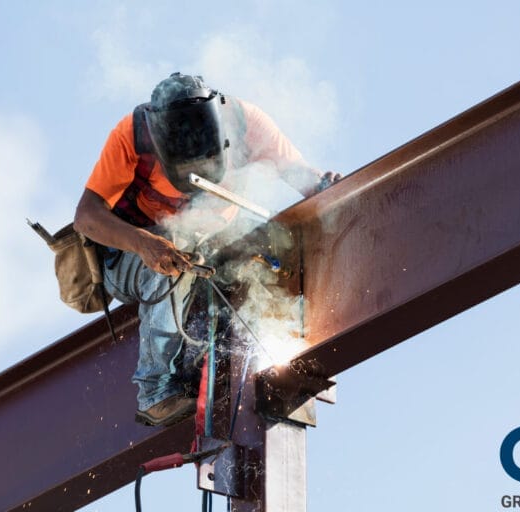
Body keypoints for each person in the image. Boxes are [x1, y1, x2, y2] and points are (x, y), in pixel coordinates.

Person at [74, 72, 339, 427]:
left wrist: (329, 189)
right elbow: (86, 217)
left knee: (265, 249)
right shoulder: (133, 136)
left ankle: (239, 352)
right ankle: (154, 391)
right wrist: (144, 243)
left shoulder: (247, 124)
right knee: (172, 257)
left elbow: (302, 177)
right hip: (131, 257)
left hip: (207, 248)